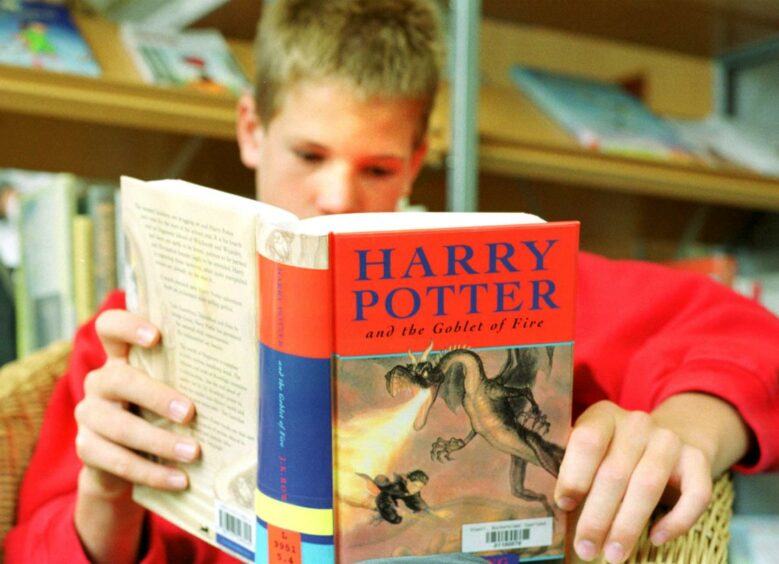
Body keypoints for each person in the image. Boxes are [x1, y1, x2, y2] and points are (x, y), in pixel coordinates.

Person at [5, 1, 779, 563]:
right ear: (251, 129)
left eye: (377, 166)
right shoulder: (131, 324)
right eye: (308, 155)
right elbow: (39, 542)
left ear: (415, 160)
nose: (338, 196)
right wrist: (103, 499)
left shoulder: (484, 276)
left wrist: (685, 432)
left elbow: (732, 331)